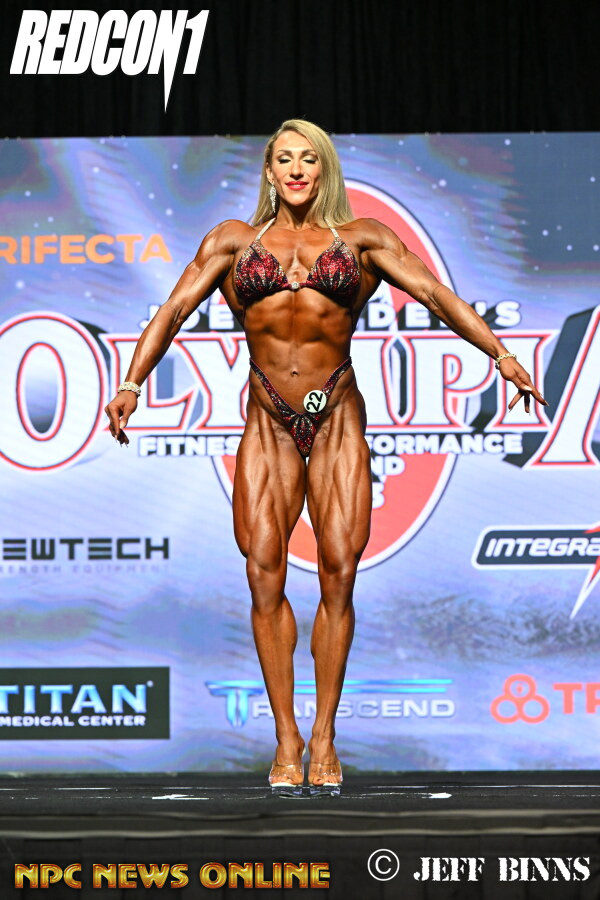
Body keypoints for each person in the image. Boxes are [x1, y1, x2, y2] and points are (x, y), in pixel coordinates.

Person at [104, 119, 547, 796]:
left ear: (323, 169)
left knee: (339, 575)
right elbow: (172, 310)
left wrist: (502, 354)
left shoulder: (362, 239)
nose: (296, 169)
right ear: (269, 170)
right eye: (284, 159)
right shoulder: (232, 241)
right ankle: (285, 737)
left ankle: (325, 736)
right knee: (263, 575)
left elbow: (435, 294)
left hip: (337, 416)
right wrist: (132, 384)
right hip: (268, 422)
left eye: (308, 159)